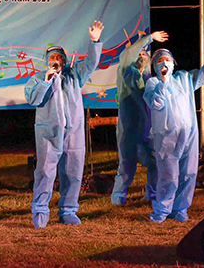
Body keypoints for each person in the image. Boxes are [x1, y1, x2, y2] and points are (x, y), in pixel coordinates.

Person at [143, 40, 204, 223]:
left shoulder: (184, 78)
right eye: (160, 61)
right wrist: (163, 82)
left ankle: (180, 209)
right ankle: (162, 210)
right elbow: (156, 104)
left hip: (189, 135)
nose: (164, 63)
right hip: (167, 137)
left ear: (173, 62)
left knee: (188, 173)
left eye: (167, 60)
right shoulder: (152, 83)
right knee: (168, 174)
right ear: (155, 66)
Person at [25, 21, 105, 228]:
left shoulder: (74, 76)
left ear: (65, 61)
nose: (56, 60)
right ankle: (40, 211)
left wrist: (95, 41)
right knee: (45, 171)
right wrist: (46, 81)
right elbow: (33, 99)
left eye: (59, 57)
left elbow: (91, 63)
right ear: (47, 62)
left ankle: (68, 210)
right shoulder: (36, 79)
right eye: (52, 57)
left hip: (74, 133)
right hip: (48, 134)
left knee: (73, 171)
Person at [111, 30, 168, 206]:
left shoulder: (150, 78)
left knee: (154, 163)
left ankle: (152, 194)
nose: (142, 55)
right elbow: (128, 54)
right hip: (128, 128)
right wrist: (149, 38)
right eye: (139, 53)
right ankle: (118, 198)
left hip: (148, 128)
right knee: (127, 166)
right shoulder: (126, 72)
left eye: (145, 54)